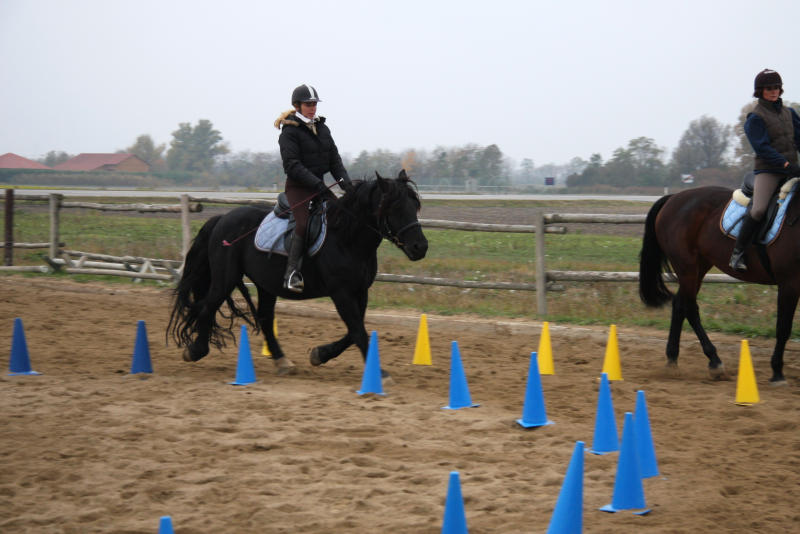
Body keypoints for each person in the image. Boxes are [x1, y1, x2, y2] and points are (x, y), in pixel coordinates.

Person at [274, 84, 354, 292]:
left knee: (342, 217)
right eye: (308, 104)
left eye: (314, 104)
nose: (312, 108)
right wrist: (318, 184)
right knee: (302, 224)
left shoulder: (323, 129)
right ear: (297, 106)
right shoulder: (289, 132)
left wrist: (346, 183)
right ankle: (291, 273)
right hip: (298, 189)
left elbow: (334, 160)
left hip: (319, 188)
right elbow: (292, 165)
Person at [730, 69, 800, 271]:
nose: (773, 91)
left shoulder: (790, 113)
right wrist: (786, 165)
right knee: (759, 209)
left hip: (792, 169)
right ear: (760, 91)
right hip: (769, 171)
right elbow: (762, 148)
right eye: (769, 88)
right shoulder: (755, 117)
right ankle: (738, 252)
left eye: (776, 87)